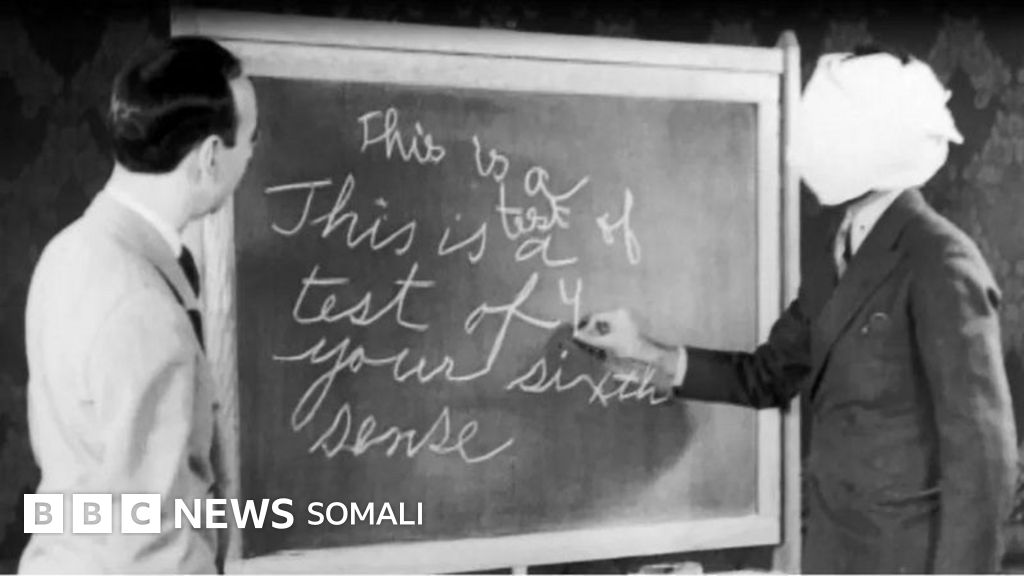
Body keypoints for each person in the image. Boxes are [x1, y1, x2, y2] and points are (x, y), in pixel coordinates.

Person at [575, 48, 1018, 573]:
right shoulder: (837, 254)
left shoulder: (939, 260)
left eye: (829, 133)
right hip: (832, 549)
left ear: (878, 140)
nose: (805, 153)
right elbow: (765, 377)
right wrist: (643, 352)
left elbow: (985, 462)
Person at [19, 36, 258, 574]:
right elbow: (156, 545)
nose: (250, 156)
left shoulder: (68, 251)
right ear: (210, 157)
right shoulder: (143, 306)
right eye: (250, 140)